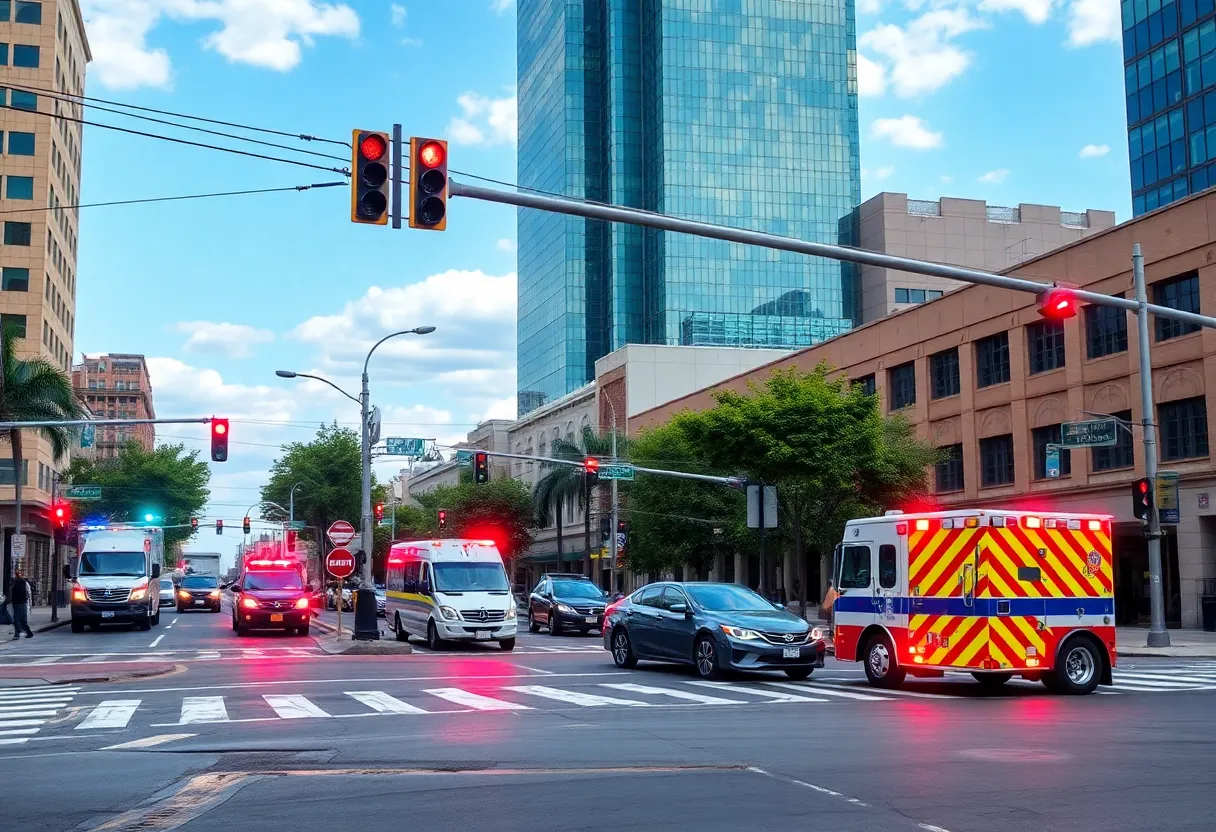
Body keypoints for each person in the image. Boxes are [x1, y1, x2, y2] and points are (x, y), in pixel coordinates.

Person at [9, 569, 34, 639]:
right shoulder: (23, 582)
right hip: (23, 602)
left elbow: (11, 592)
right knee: (22, 619)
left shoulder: (15, 582)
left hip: (16, 603)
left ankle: (18, 633)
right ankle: (27, 632)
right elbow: (28, 593)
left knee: (17, 619)